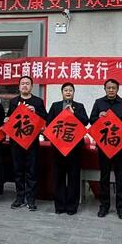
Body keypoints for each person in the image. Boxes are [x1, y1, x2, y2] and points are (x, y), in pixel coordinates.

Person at [89, 79, 122, 220]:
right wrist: (98, 117)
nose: (111, 90)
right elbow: (91, 120)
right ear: (104, 89)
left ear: (117, 89)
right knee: (104, 178)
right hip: (104, 146)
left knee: (120, 178)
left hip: (120, 147)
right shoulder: (98, 103)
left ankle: (120, 208)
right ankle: (104, 206)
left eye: (113, 88)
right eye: (108, 88)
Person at [5, 76, 47, 211]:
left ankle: (31, 199)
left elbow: (45, 119)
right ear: (19, 86)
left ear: (31, 86)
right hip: (16, 142)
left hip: (32, 141)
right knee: (18, 170)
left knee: (31, 170)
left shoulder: (38, 101)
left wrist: (35, 112)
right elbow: (10, 118)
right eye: (22, 83)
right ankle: (19, 198)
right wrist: (7, 119)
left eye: (27, 84)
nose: (24, 86)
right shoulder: (13, 101)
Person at [46, 82, 89, 215]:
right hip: (58, 148)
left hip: (74, 149)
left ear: (73, 92)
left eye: (70, 90)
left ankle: (71, 207)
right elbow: (48, 123)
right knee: (58, 177)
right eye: (66, 90)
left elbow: (85, 121)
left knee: (73, 177)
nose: (68, 92)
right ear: (62, 92)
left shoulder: (79, 106)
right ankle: (59, 206)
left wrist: (74, 113)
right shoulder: (55, 106)